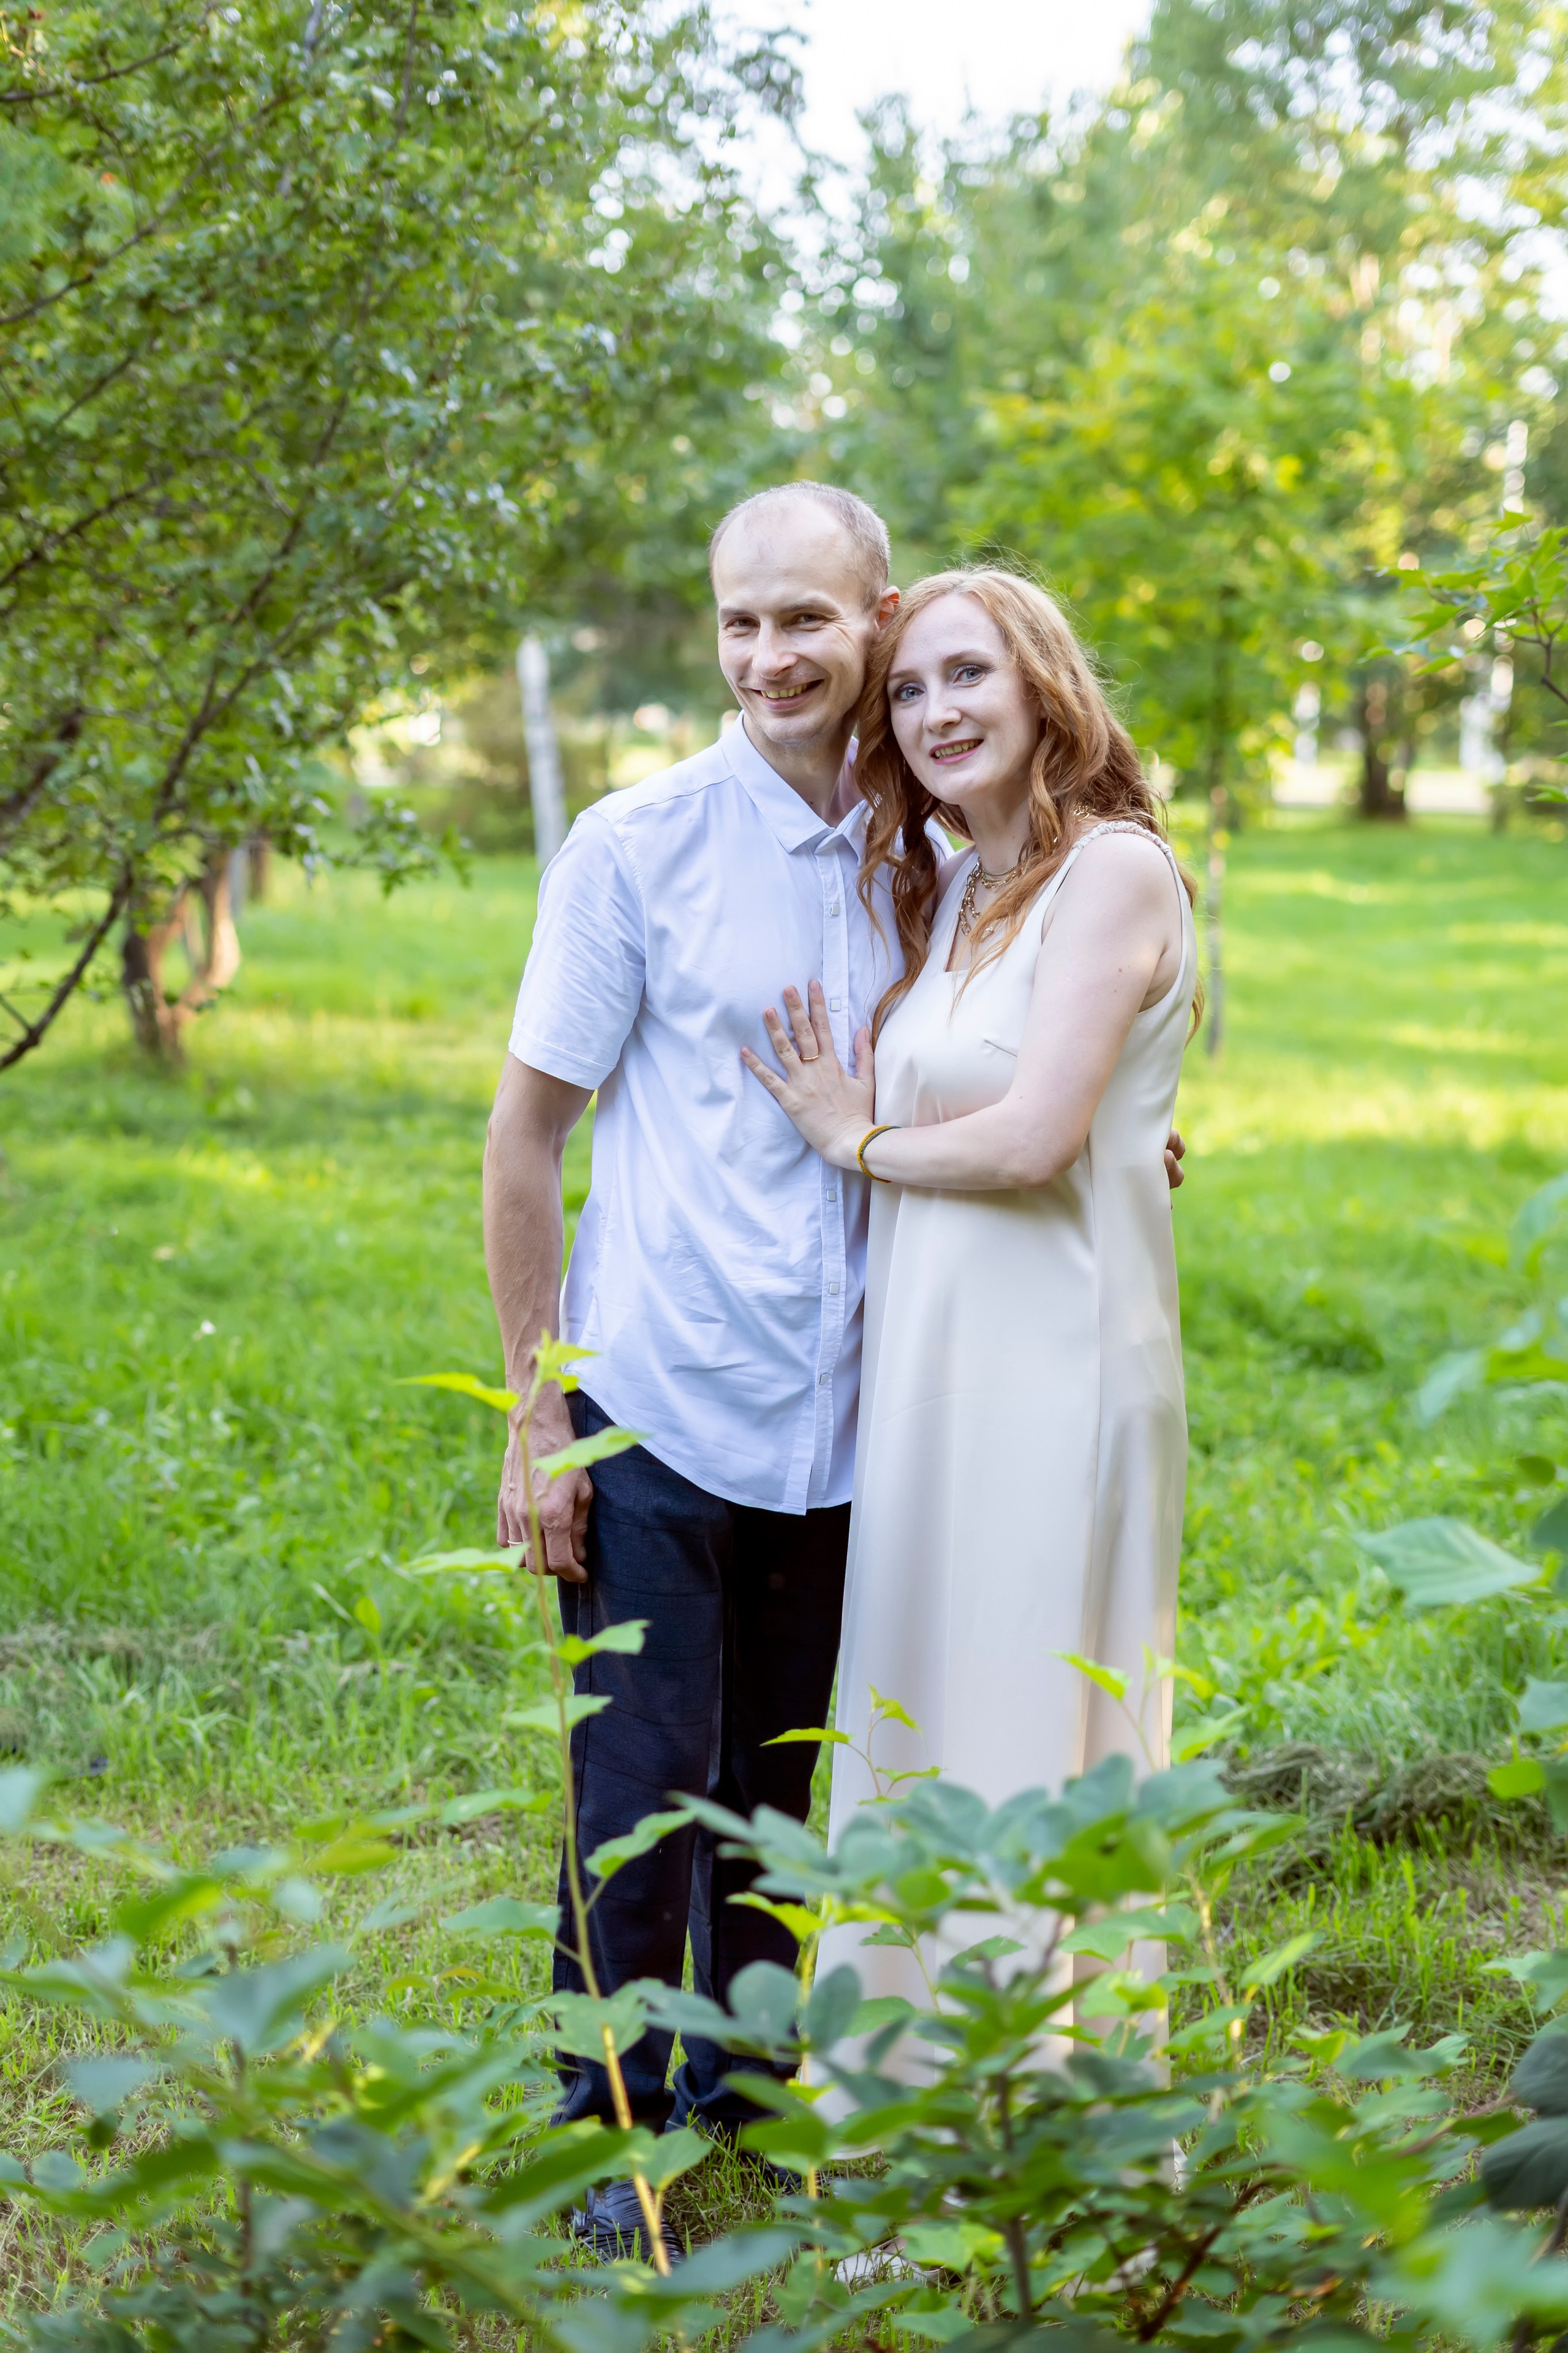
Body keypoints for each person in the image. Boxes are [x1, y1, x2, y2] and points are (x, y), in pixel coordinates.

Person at [484, 498, 1185, 2256]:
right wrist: (539, 1408)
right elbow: (522, 1141)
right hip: (662, 1386)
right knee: (639, 1788)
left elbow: (1042, 1056)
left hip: (871, 1416)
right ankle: (615, 2134)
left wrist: (1119, 1137)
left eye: (805, 619)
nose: (769, 657)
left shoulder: (944, 853)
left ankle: (773, 2077)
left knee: (801, 1783)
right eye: (736, 625)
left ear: (871, 618)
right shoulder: (635, 848)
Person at [740, 567, 1197, 2023]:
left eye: (967, 675)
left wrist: (848, 1135)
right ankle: (910, 2104)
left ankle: (1052, 2108)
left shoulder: (1111, 869)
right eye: (912, 689)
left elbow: (1035, 1136)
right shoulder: (956, 890)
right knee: (918, 1711)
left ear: (1041, 685)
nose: (936, 711)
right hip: (935, 1368)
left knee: (1028, 1713)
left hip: (1057, 1365)